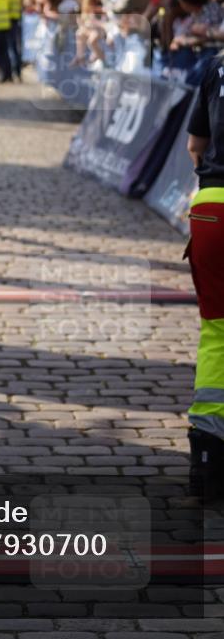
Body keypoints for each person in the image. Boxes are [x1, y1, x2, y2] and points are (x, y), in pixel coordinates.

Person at [185, 51, 224, 502]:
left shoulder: (217, 64)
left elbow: (197, 143)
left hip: (211, 205)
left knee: (217, 330)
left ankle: (208, 458)